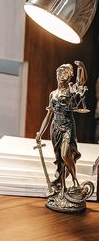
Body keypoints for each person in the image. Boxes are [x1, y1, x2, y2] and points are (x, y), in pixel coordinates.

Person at [35, 62, 88, 193]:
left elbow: (82, 82)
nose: (60, 75)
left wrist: (81, 67)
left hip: (68, 127)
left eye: (64, 73)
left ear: (69, 76)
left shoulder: (71, 91)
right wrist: (40, 133)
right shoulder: (53, 94)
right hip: (55, 128)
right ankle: (62, 187)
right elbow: (48, 115)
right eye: (59, 72)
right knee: (59, 159)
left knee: (65, 155)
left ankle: (76, 181)